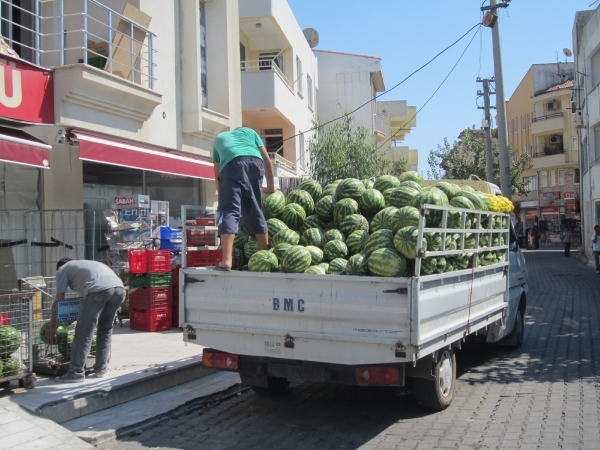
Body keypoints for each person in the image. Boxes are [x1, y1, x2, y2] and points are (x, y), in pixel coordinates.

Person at [45, 258, 126, 382]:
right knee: (105, 329)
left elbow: (59, 301)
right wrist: (68, 321)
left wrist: (52, 326)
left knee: (84, 331)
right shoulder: (84, 267)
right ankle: (101, 369)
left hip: (99, 290)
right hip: (119, 289)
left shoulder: (62, 270)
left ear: (59, 267)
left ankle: (75, 373)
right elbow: (85, 305)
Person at [212, 127, 276, 270]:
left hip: (231, 165)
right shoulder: (251, 132)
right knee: (255, 208)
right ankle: (264, 257)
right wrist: (271, 187)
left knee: (229, 210)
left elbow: (217, 174)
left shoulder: (219, 139)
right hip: (255, 162)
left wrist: (223, 196)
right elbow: (267, 161)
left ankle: (227, 260)